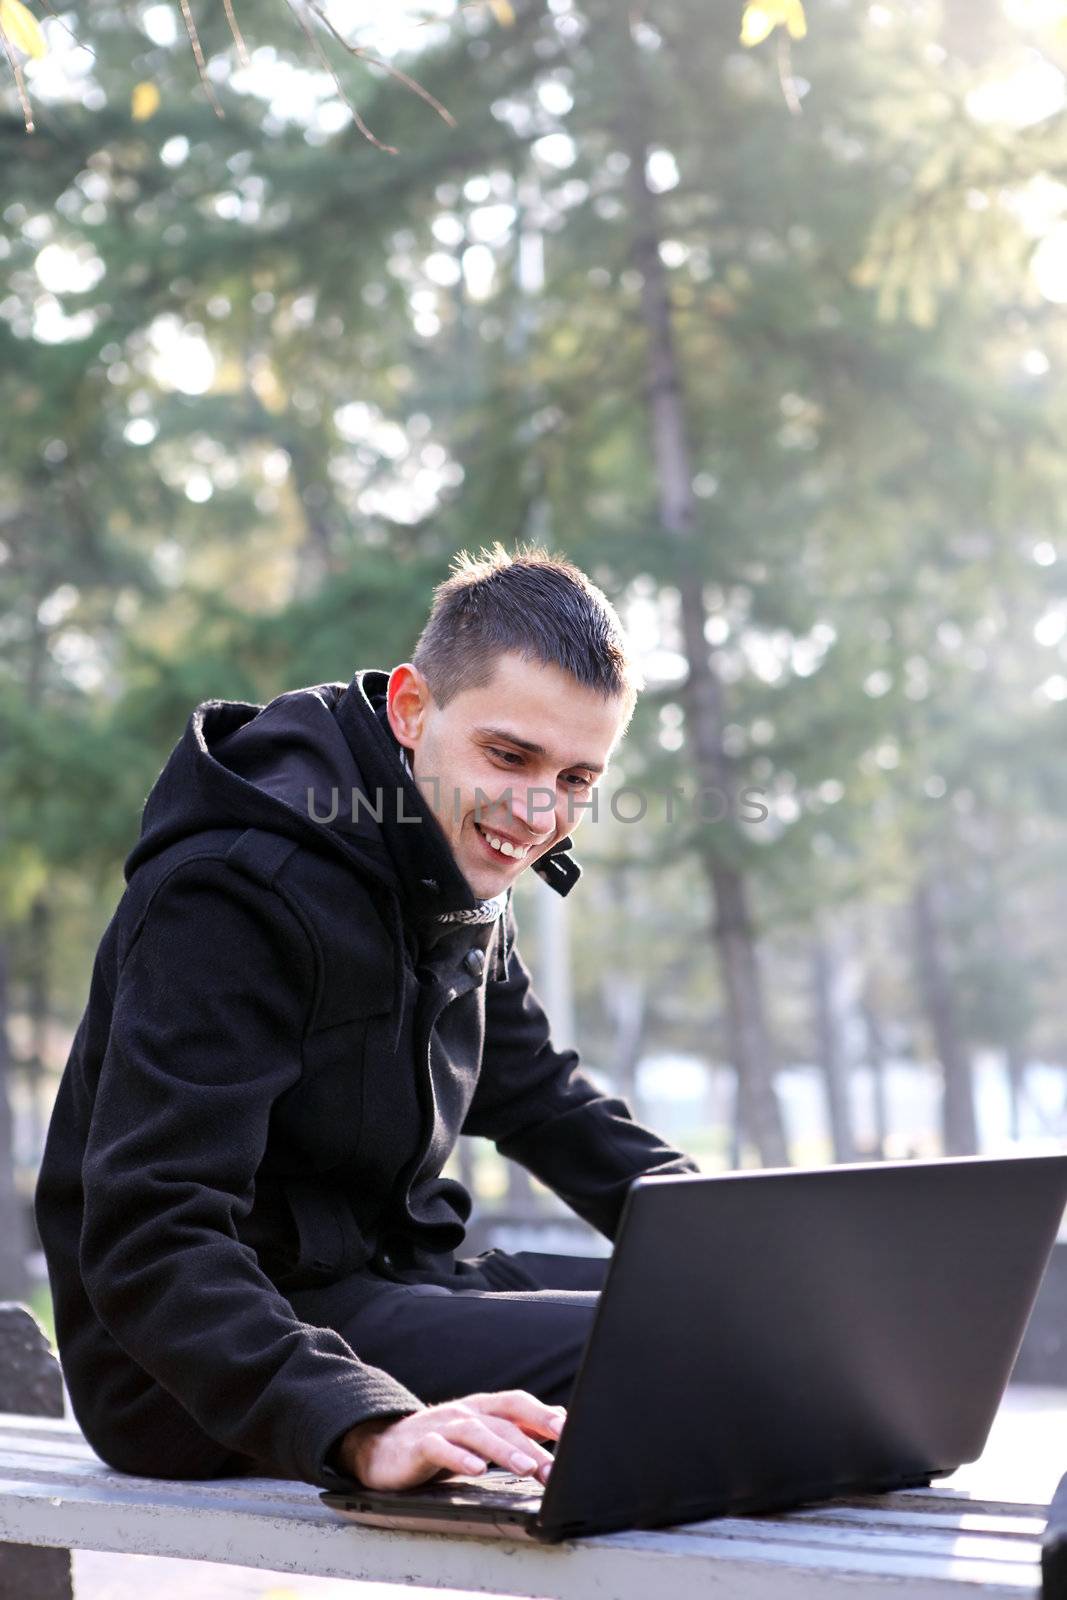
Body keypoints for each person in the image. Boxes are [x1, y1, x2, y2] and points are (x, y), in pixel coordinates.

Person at [35, 544, 700, 1495]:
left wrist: (733, 1242)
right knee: (697, 1348)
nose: (536, 808)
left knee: (745, 1312)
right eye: (508, 756)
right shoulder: (229, 889)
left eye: (576, 780)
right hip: (194, 1371)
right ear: (410, 708)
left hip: (385, 1287)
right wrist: (360, 1422)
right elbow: (151, 1232)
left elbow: (543, 1099)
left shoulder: (449, 862)